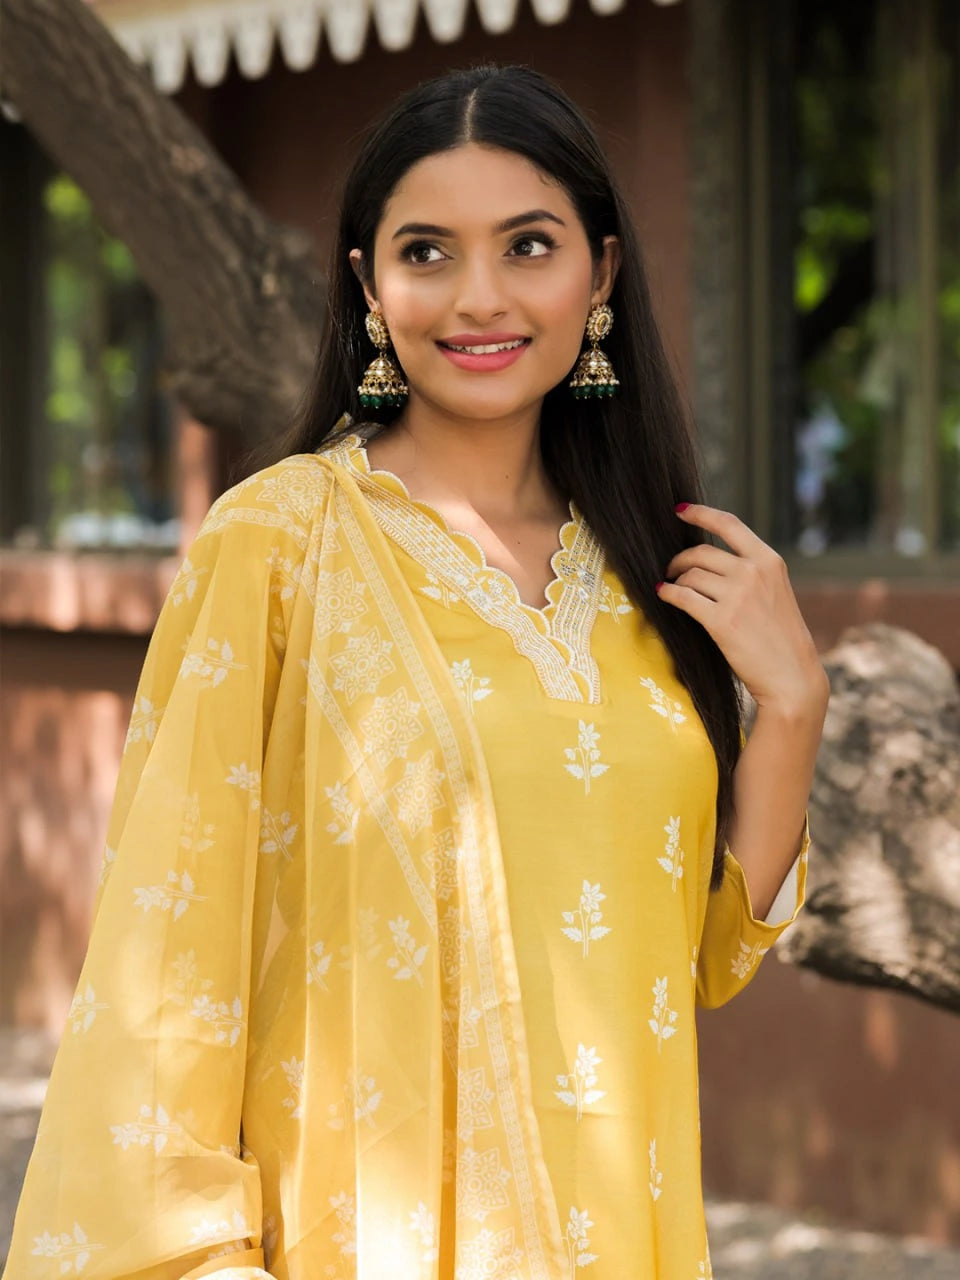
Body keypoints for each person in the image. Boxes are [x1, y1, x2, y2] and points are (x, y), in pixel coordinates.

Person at [7, 63, 829, 1280]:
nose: (478, 296)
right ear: (368, 282)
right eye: (429, 252)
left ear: (600, 274)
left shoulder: (653, 572)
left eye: (529, 246)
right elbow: (165, 964)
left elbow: (701, 958)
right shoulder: (280, 543)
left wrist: (796, 707)